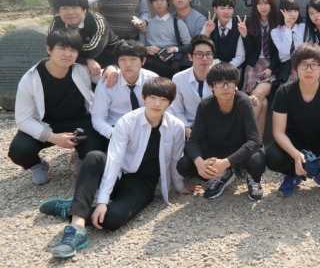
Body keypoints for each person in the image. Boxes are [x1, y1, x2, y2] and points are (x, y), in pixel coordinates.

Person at [39, 77, 200, 258]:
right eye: (153, 98)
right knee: (94, 157)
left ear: (170, 103)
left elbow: (174, 159)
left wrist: (179, 186)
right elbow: (114, 160)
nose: (157, 104)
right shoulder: (128, 121)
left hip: (142, 185)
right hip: (119, 174)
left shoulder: (176, 127)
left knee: (112, 219)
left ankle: (73, 206)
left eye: (163, 100)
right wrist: (102, 202)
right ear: (143, 98)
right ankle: (77, 227)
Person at [8, 29, 110, 184]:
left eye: (73, 50)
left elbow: (106, 77)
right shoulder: (30, 79)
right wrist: (53, 137)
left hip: (78, 121)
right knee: (19, 151)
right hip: (44, 123)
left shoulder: (81, 70)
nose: (67, 54)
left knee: (97, 146)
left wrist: (112, 68)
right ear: (49, 49)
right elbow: (23, 120)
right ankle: (37, 165)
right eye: (62, 48)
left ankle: (81, 157)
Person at [266, 43, 320, 197]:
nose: (308, 70)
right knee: (273, 157)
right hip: (294, 141)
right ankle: (293, 174)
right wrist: (296, 155)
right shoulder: (284, 92)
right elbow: (278, 132)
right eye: (303, 64)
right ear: (295, 68)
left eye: (314, 65)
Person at [176, 63, 266, 200]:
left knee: (257, 162)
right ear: (211, 86)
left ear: (235, 84)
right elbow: (194, 140)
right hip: (217, 149)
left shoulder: (243, 102)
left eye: (230, 82)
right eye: (219, 83)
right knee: (184, 165)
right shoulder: (205, 105)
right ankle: (222, 174)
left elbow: (254, 140)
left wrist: (225, 162)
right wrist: (199, 163)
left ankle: (252, 177)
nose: (225, 87)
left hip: (241, 150)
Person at [170, 35, 260, 139]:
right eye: (199, 54)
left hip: (218, 129)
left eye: (208, 54)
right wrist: (189, 133)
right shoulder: (178, 79)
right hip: (190, 128)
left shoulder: (222, 75)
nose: (204, 58)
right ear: (190, 56)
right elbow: (178, 111)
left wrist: (248, 99)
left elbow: (234, 97)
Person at [91, 40, 158, 141]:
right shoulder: (106, 82)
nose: (127, 64)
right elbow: (98, 118)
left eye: (133, 59)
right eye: (122, 59)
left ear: (143, 61)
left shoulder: (152, 80)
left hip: (146, 127)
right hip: (115, 127)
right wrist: (114, 134)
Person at [48, 0, 120, 77]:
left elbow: (93, 51)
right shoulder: (56, 22)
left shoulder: (97, 20)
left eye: (74, 7)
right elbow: (51, 49)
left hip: (107, 63)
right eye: (64, 8)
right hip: (75, 64)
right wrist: (86, 60)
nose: (70, 13)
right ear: (58, 12)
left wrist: (63, 49)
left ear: (84, 9)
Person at [239, 0, 280, 138]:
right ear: (255, 5)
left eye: (266, 3)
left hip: (271, 66)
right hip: (253, 66)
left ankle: (243, 135)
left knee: (258, 94)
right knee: (262, 104)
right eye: (259, 3)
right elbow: (250, 51)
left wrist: (271, 69)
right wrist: (245, 35)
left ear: (272, 4)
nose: (263, 7)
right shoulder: (250, 23)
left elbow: (281, 52)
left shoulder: (278, 23)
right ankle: (257, 144)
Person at [140, 0, 191, 79]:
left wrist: (175, 49)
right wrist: (146, 49)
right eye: (155, 1)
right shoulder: (146, 25)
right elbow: (139, 47)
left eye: (162, 0)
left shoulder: (178, 23)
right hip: (150, 68)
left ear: (168, 1)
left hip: (171, 68)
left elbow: (189, 46)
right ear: (151, 3)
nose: (159, 3)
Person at [169, 0, 206, 70]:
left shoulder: (200, 20)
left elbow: (199, 45)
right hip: (170, 64)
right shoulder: (169, 19)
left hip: (192, 65)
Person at [202, 0, 245, 67]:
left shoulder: (238, 27)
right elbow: (198, 48)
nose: (226, 12)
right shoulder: (209, 25)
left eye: (230, 8)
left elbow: (240, 56)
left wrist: (227, 68)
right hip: (211, 67)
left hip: (232, 68)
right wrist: (207, 32)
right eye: (222, 8)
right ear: (215, 9)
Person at [271, 0, 305, 83]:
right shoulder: (276, 32)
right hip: (286, 68)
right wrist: (288, 29)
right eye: (289, 11)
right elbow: (285, 51)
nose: (293, 14)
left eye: (296, 11)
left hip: (303, 64)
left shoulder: (304, 28)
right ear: (282, 12)